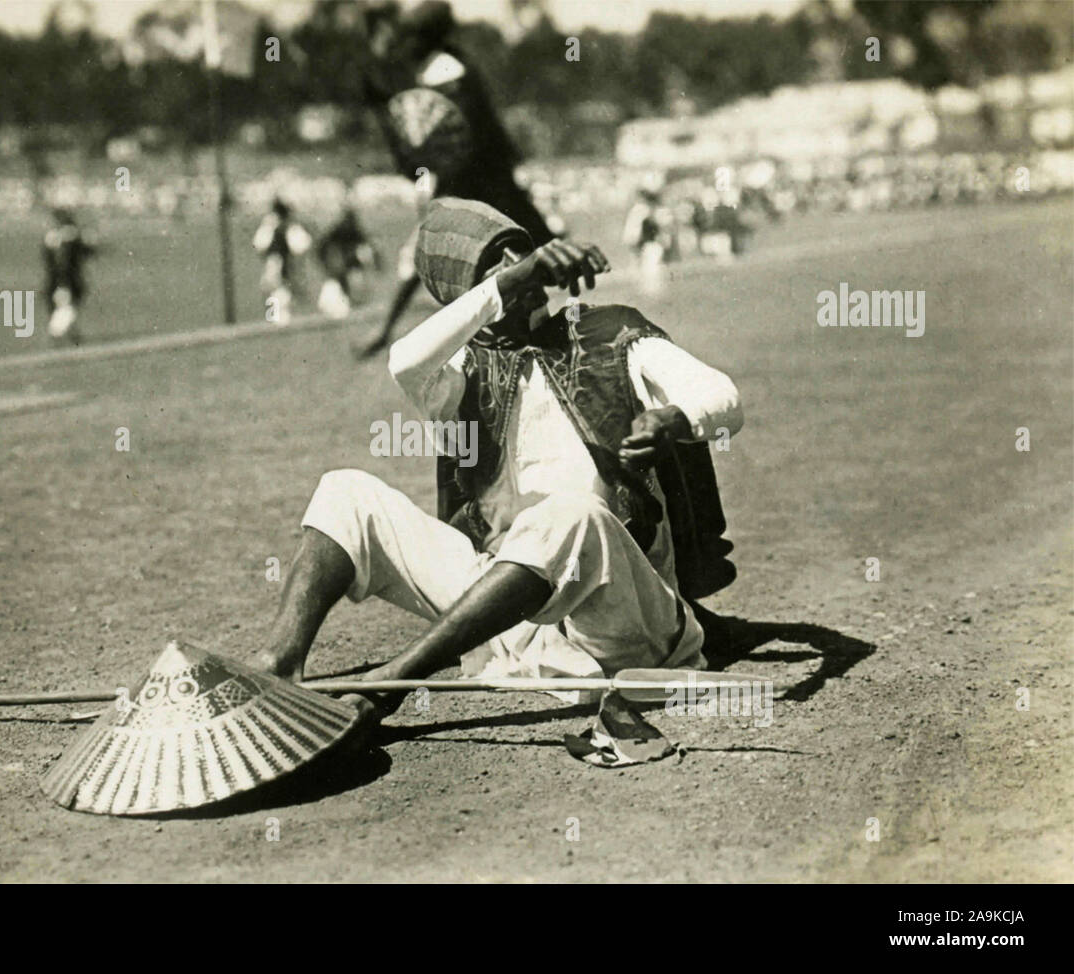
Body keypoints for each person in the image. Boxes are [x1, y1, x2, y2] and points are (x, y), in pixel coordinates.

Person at [253, 198, 743, 766]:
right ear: (471, 299)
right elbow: (404, 362)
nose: (524, 272)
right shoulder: (460, 373)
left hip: (625, 627)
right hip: (514, 633)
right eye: (501, 266)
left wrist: (671, 420)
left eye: (524, 255)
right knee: (345, 492)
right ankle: (279, 663)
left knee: (570, 513)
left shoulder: (612, 333)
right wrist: (508, 283)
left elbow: (722, 397)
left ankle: (387, 685)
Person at [355, 0, 555, 358]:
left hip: (476, 183)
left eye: (410, 36)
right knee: (511, 257)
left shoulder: (445, 72)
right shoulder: (445, 67)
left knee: (511, 258)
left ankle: (386, 329)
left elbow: (458, 139)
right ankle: (386, 328)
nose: (405, 43)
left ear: (423, 38)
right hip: (472, 182)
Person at [317, 196, 379, 320]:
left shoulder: (350, 228)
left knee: (350, 287)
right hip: (346, 264)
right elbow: (323, 246)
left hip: (348, 264)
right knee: (347, 287)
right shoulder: (344, 228)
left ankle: (350, 307)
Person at [252, 197, 312, 325]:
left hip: (282, 265)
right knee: (277, 294)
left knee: (279, 295)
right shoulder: (276, 226)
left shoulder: (280, 226)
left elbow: (259, 245)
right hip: (278, 264)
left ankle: (278, 322)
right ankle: (277, 322)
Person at [42, 208, 97, 345]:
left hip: (55, 278)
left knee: (64, 305)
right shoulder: (71, 236)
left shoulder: (52, 236)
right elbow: (86, 252)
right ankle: (57, 332)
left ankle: (71, 335)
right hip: (67, 278)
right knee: (68, 306)